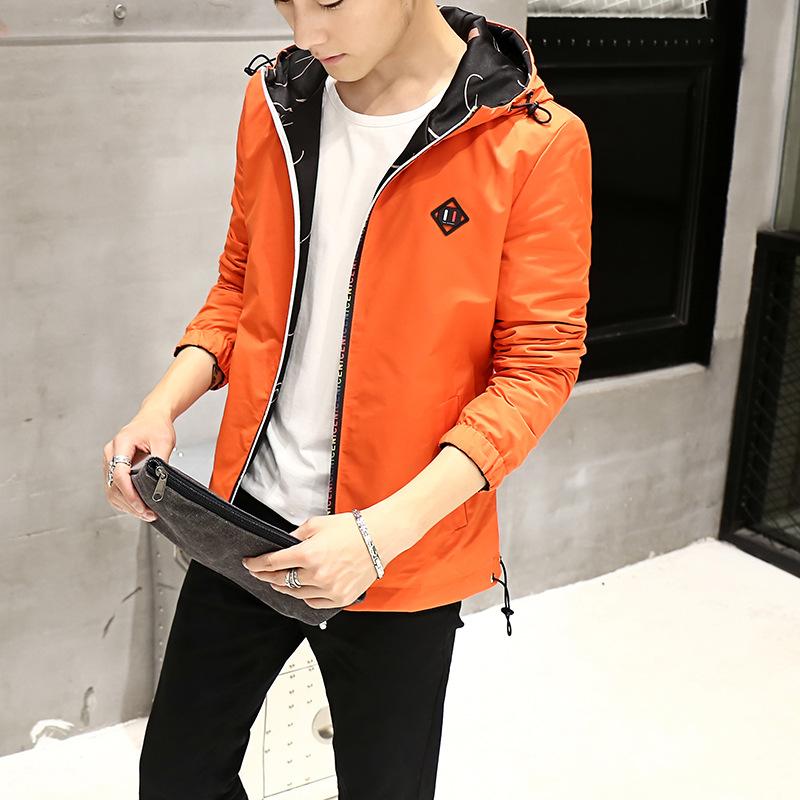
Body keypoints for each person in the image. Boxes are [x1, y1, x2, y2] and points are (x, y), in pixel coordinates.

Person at [102, 2, 592, 798]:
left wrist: (375, 536)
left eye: (329, 0)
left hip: (401, 549)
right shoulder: (276, 102)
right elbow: (239, 288)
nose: (305, 32)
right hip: (248, 523)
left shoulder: (531, 141)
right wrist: (160, 406)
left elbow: (536, 369)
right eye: (286, 1)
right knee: (176, 778)